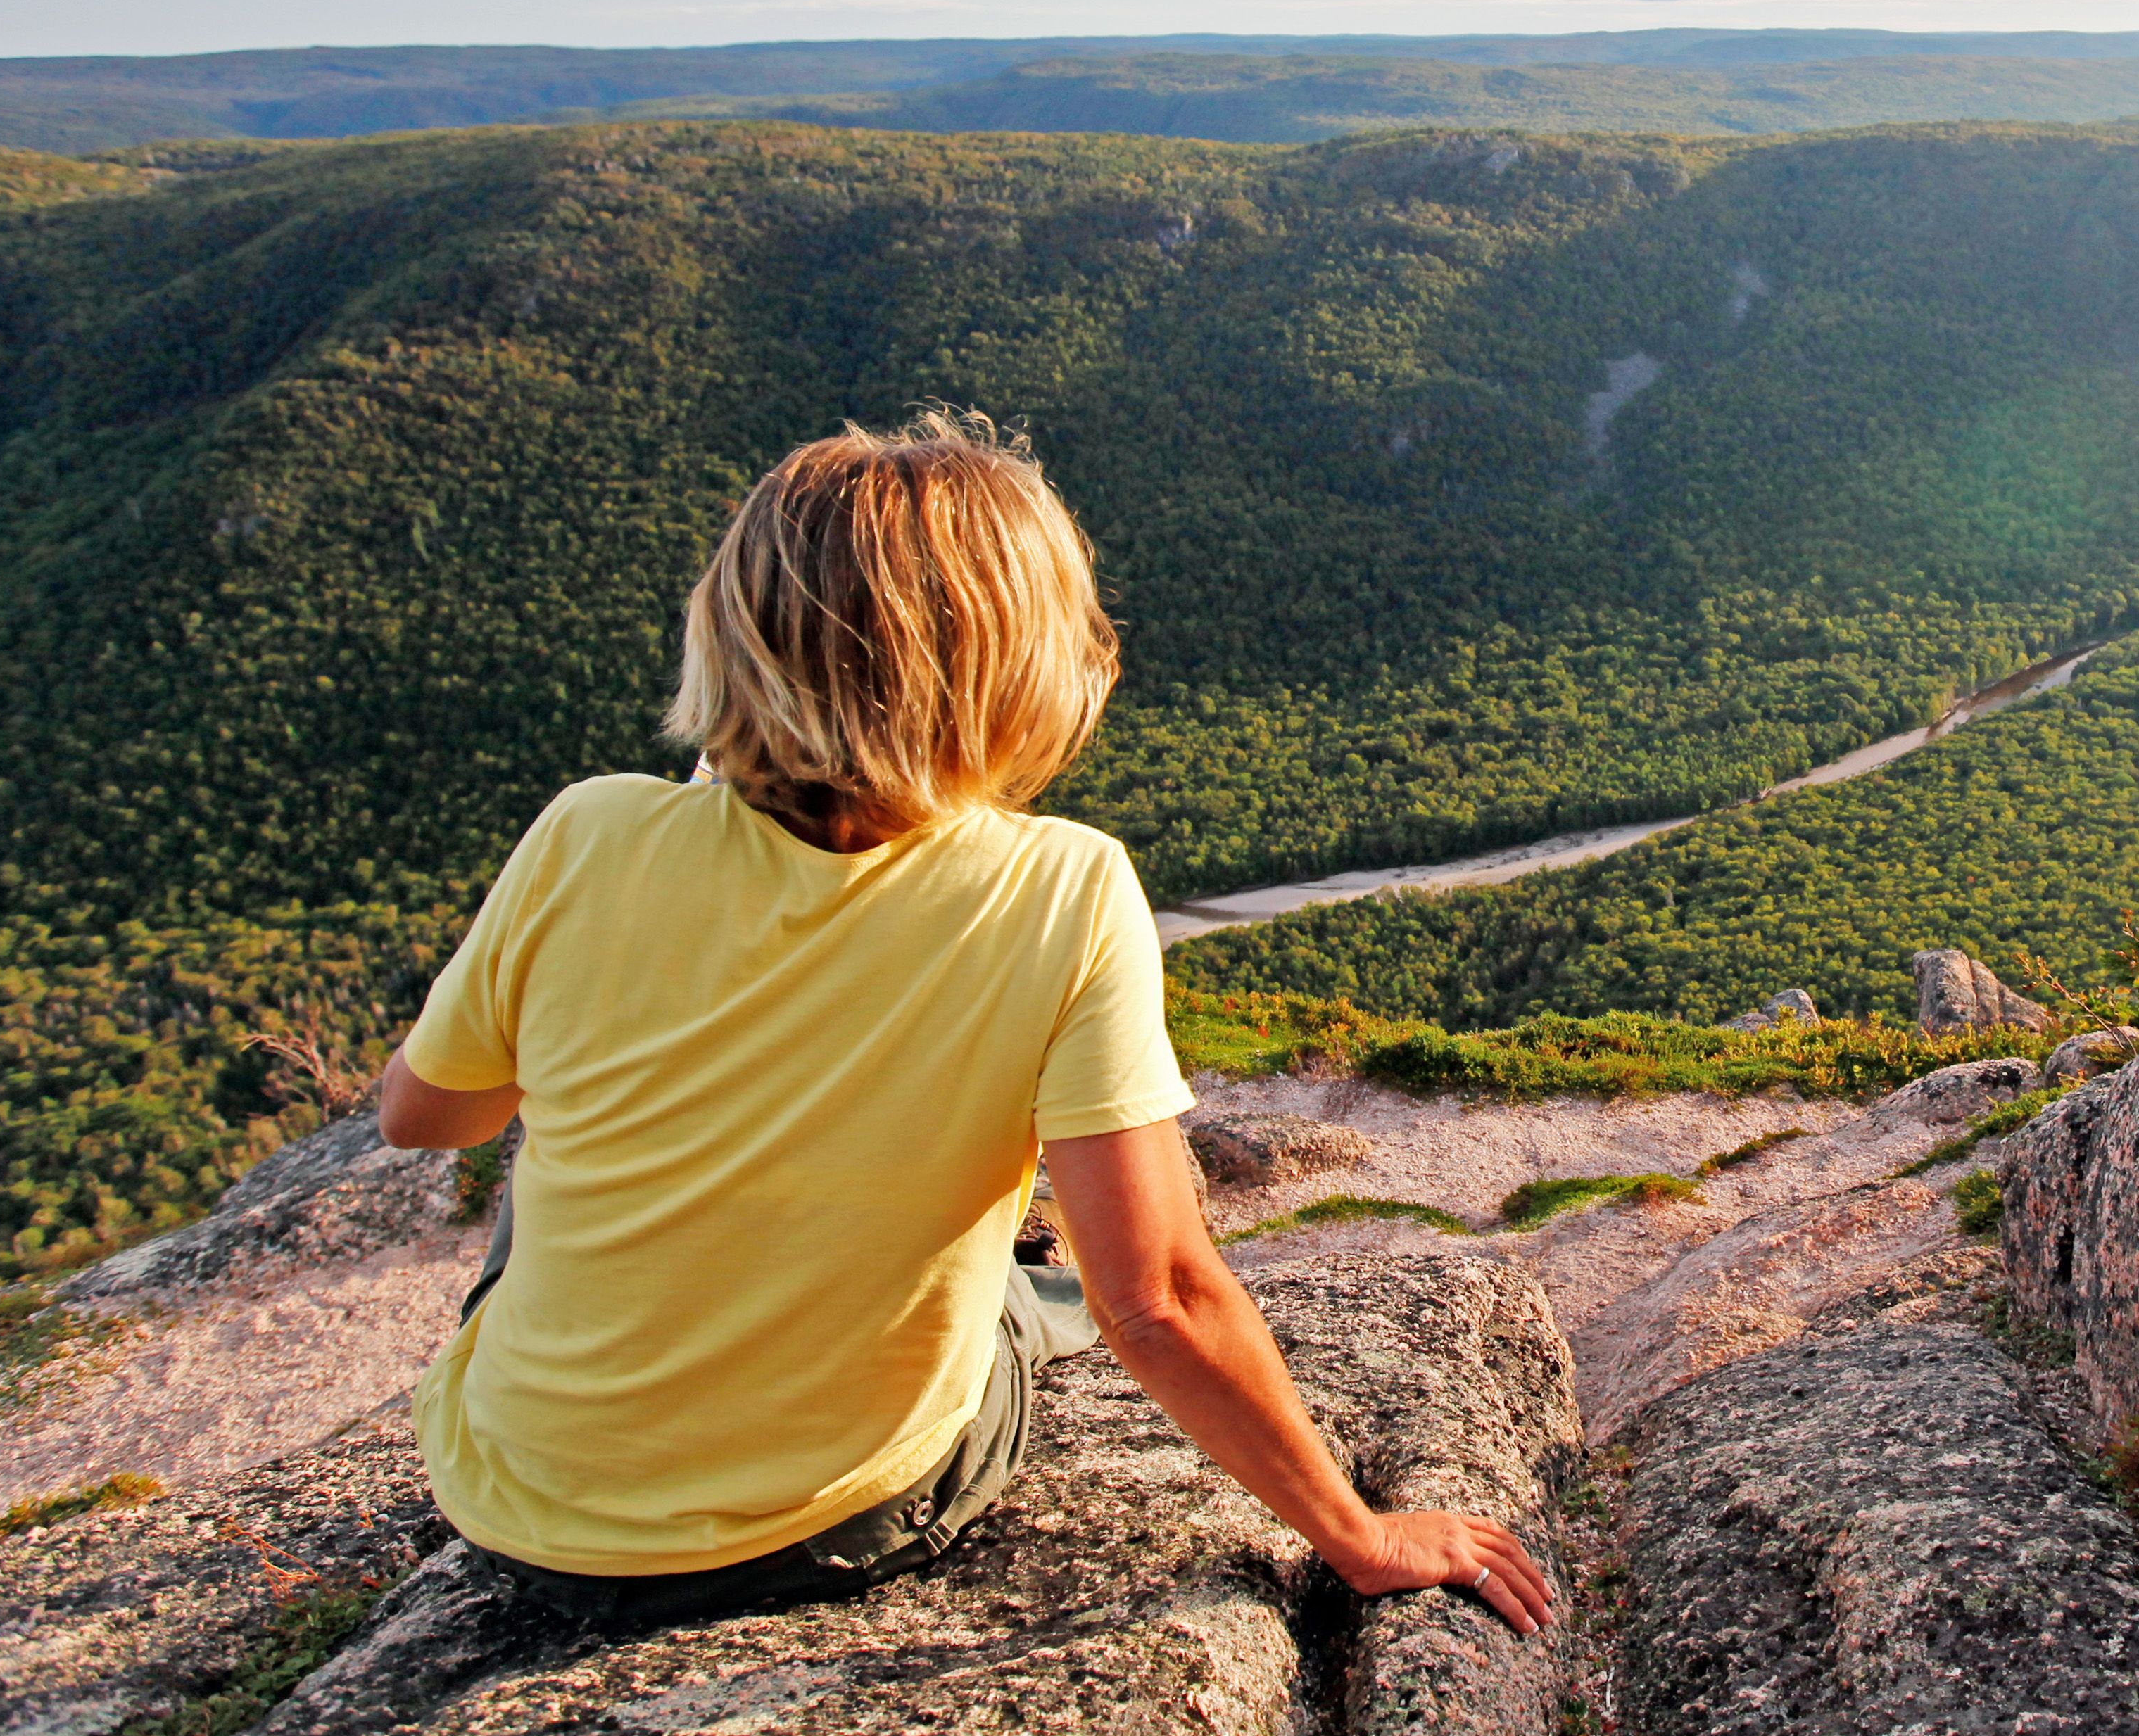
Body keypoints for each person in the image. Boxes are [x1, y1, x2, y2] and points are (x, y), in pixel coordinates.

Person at [373, 412, 1557, 1637]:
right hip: (836, 1524)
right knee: (1005, 1290)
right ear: (1017, 662)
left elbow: (425, 1117)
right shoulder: (1064, 888)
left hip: (522, 1514)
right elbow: (1153, 1299)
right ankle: (995, 1302)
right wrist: (1362, 1539)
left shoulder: (588, 832)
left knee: (537, 1174)